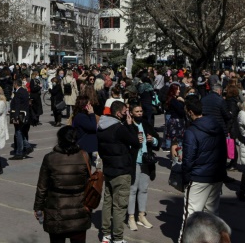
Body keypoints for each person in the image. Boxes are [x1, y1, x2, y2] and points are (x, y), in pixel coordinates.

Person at [34, 126, 92, 243]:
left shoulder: (50, 158)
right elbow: (87, 182)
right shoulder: (84, 156)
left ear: (59, 139)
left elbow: (42, 187)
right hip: (79, 210)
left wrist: (38, 208)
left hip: (56, 211)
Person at [179, 98, 226, 243]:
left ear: (190, 112)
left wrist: (186, 178)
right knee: (211, 214)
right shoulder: (217, 126)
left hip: (198, 178)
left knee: (191, 215)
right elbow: (223, 152)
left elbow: (188, 160)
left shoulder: (191, 132)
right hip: (215, 176)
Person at [97, 100, 140, 243]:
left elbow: (101, 150)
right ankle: (118, 237)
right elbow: (136, 142)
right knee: (120, 206)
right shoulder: (119, 128)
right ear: (117, 113)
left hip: (109, 169)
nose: (126, 114)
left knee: (108, 202)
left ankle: (106, 234)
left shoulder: (101, 126)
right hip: (121, 171)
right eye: (124, 112)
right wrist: (130, 125)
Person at [126, 102, 159, 231]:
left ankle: (141, 215)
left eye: (141, 111)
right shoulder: (128, 125)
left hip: (146, 161)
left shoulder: (146, 124)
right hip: (134, 162)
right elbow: (125, 143)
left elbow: (156, 139)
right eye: (137, 112)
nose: (140, 113)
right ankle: (131, 217)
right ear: (132, 113)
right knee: (133, 189)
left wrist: (153, 140)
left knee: (144, 189)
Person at [11, 78, 33, 160]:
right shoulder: (24, 91)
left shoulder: (18, 93)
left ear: (15, 84)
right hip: (25, 114)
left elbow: (17, 105)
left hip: (20, 115)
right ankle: (27, 147)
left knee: (18, 133)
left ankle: (20, 152)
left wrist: (15, 116)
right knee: (20, 132)